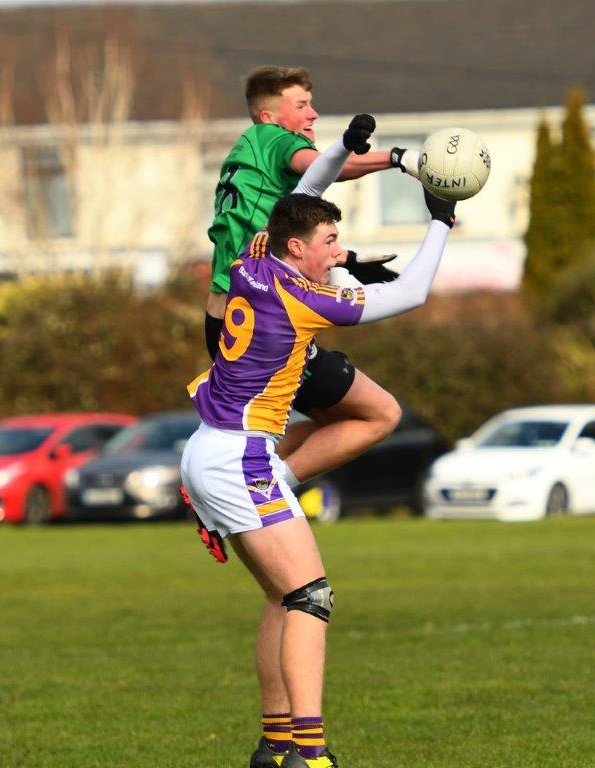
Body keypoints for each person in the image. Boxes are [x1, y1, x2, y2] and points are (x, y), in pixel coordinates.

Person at [182, 117, 457, 768]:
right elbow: (412, 291)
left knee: (283, 597)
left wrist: (340, 149)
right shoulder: (306, 299)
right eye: (331, 241)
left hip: (213, 448)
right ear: (299, 248)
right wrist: (440, 219)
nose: (339, 251)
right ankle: (313, 754)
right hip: (241, 455)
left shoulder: (256, 254)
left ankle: (275, 748)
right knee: (311, 596)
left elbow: (298, 198)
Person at [204, 66, 423, 492]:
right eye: (301, 105)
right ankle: (263, 485)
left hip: (228, 322)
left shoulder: (246, 155)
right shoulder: (272, 139)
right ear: (269, 116)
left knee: (333, 423)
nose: (313, 114)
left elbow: (287, 241)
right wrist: (399, 158)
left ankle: (224, 471)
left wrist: (347, 258)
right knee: (381, 415)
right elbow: (321, 169)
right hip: (260, 325)